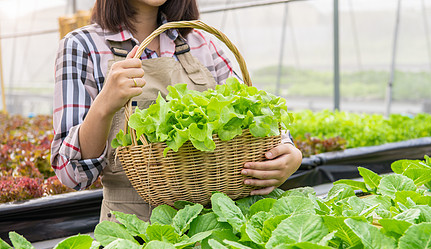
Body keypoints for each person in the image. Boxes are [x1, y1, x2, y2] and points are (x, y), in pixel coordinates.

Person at [51, 0, 302, 223]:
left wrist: (288, 154)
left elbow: (253, 110)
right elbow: (72, 174)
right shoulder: (81, 46)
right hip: (133, 236)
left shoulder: (202, 43)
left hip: (215, 228)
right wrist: (104, 105)